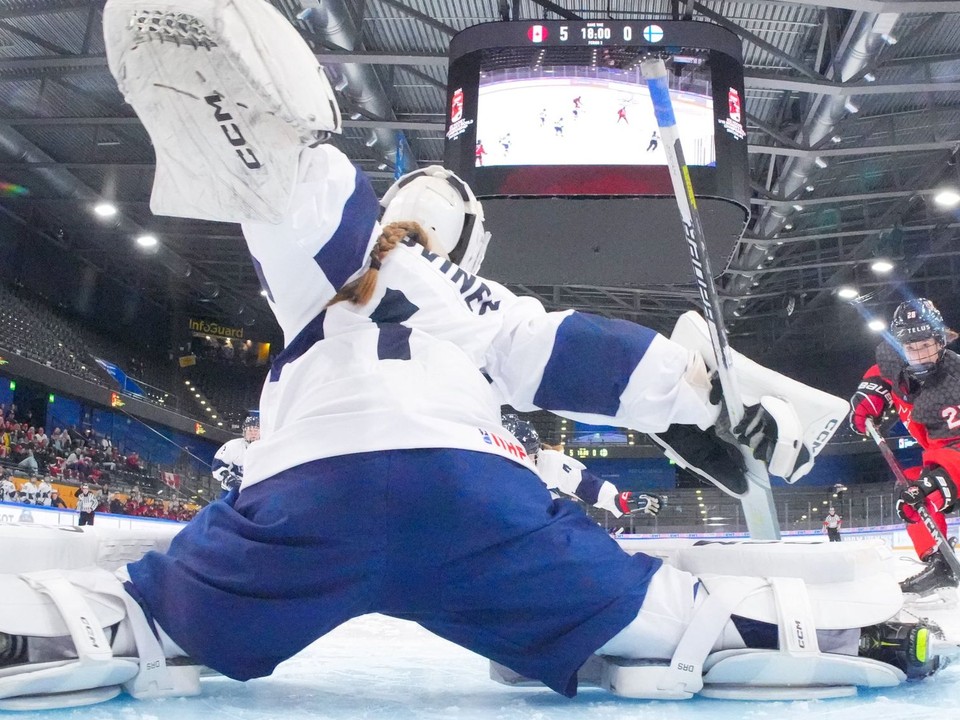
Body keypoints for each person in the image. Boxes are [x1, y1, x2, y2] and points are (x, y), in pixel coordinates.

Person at [0, 0, 936, 708]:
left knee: (150, 619)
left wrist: (276, 142)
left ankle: (56, 633)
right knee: (675, 629)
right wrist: (701, 397)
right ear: (472, 239)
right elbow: (572, 353)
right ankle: (863, 633)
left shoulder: (353, 259)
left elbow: (294, 203)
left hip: (310, 494)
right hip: (476, 498)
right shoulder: (485, 301)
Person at [849, 298, 960, 600]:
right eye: (912, 348)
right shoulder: (891, 359)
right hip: (938, 452)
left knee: (925, 489)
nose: (921, 355)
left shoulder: (954, 383)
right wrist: (872, 392)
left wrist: (941, 480)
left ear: (941, 341)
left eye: (927, 345)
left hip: (954, 453)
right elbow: (881, 373)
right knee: (911, 492)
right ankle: (940, 561)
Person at [500, 413, 662, 520]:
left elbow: (584, 484)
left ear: (536, 451)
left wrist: (618, 501)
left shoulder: (548, 464)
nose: (522, 461)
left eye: (526, 453)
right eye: (513, 454)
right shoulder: (480, 468)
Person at [211, 414, 260, 492]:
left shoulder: (267, 447)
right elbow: (218, 466)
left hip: (256, 490)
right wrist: (227, 477)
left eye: (256, 430)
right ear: (244, 432)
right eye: (250, 430)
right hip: (232, 490)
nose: (253, 433)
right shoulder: (233, 445)